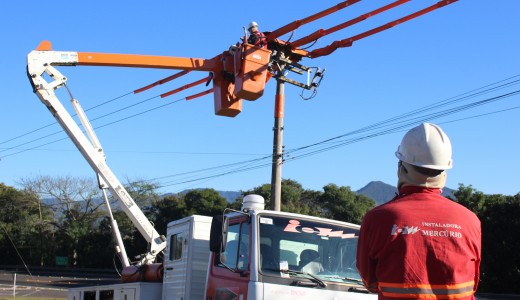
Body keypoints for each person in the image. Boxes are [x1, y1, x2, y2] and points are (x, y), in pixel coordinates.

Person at [356, 123, 481, 300]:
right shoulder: (470, 220)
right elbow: (472, 283)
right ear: (444, 170)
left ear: (402, 167)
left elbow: (370, 283)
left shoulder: (377, 219)